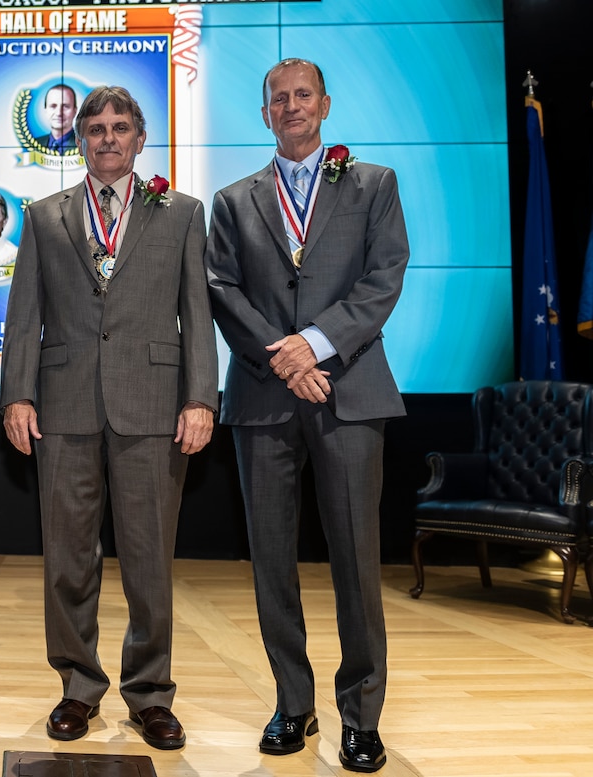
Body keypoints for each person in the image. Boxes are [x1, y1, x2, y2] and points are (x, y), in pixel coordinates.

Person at [205, 58, 409, 773]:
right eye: (277, 99)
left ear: (324, 104)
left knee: (356, 558)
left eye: (302, 95)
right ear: (264, 115)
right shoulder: (232, 200)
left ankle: (362, 714)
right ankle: (293, 703)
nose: (290, 107)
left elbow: (385, 276)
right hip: (264, 399)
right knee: (272, 562)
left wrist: (316, 347)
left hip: (351, 393)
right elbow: (223, 288)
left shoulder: (375, 184)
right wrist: (284, 358)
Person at [0, 85, 217, 751]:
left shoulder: (180, 212)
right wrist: (16, 394)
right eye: (95, 127)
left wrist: (202, 397)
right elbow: (25, 314)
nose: (107, 137)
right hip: (63, 406)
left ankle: (151, 694)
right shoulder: (43, 215)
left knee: (149, 560)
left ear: (140, 137)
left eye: (120, 126)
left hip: (153, 405)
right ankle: (77, 686)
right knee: (68, 558)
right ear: (79, 138)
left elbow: (197, 315)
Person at [34, 83, 78, 153]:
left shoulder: (85, 146)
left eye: (65, 106)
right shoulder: (33, 144)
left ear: (75, 111)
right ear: (46, 111)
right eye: (53, 106)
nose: (59, 113)